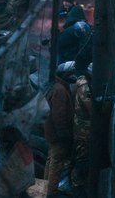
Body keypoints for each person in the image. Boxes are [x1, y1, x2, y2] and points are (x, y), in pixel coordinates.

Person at [43, 61, 76, 198]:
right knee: (56, 163)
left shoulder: (57, 86)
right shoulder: (60, 90)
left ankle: (45, 190)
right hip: (58, 135)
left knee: (51, 161)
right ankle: (51, 192)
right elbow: (59, 116)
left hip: (52, 133)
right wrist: (64, 134)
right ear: (66, 75)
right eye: (71, 74)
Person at [71, 72, 92, 198]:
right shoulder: (84, 88)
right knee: (81, 159)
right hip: (83, 130)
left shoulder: (83, 84)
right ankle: (77, 189)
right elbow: (91, 109)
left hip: (83, 128)